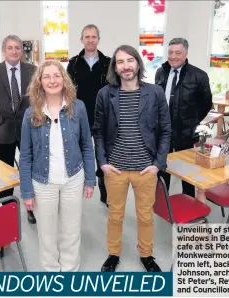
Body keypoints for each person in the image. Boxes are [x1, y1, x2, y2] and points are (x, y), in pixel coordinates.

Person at [93, 45, 171, 272]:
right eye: (120, 62)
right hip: (115, 169)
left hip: (145, 169)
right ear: (115, 68)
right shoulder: (105, 95)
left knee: (145, 216)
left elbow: (166, 131)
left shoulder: (155, 93)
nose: (125, 66)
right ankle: (113, 254)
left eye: (130, 60)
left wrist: (158, 165)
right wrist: (103, 164)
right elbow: (97, 131)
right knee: (115, 216)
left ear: (138, 63)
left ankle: (146, 255)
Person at [19, 60, 96, 272]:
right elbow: (25, 155)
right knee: (47, 233)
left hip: (73, 178)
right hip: (43, 182)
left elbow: (86, 146)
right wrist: (27, 191)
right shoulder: (30, 113)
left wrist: (90, 179)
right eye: (46, 76)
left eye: (56, 75)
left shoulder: (78, 108)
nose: (52, 80)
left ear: (64, 79)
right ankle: (51, 273)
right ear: (39, 82)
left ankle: (70, 271)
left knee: (71, 230)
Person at [0, 35, 37, 224]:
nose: (14, 51)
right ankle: (7, 209)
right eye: (10, 48)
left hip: (28, 128)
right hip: (3, 129)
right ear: (4, 50)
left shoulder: (32, 70)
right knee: (4, 172)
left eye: (18, 48)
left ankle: (31, 207)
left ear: (22, 50)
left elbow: (38, 97)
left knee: (29, 168)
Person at [155, 38, 212, 197]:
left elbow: (206, 104)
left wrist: (192, 121)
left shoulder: (199, 76)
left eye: (178, 53)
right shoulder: (161, 72)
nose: (173, 56)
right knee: (162, 168)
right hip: (163, 132)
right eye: (170, 52)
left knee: (187, 171)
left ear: (186, 54)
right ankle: (161, 200)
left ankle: (189, 201)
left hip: (186, 133)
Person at [67, 24, 111, 207]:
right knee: (77, 152)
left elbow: (114, 90)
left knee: (103, 152)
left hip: (103, 115)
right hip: (80, 116)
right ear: (82, 40)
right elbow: (67, 90)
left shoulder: (109, 62)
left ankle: (104, 187)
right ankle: (77, 186)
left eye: (94, 37)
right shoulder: (74, 63)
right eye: (87, 37)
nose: (90, 40)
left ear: (98, 39)